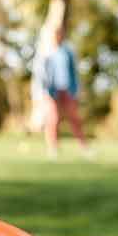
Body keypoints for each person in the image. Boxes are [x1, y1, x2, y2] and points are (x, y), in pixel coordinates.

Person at [32, 21, 89, 157]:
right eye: (55, 34)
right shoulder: (45, 52)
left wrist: (76, 90)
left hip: (67, 89)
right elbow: (39, 75)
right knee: (53, 118)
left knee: (74, 118)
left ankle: (84, 147)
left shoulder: (67, 51)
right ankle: (53, 148)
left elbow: (73, 72)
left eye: (60, 34)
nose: (58, 36)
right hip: (51, 90)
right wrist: (39, 94)